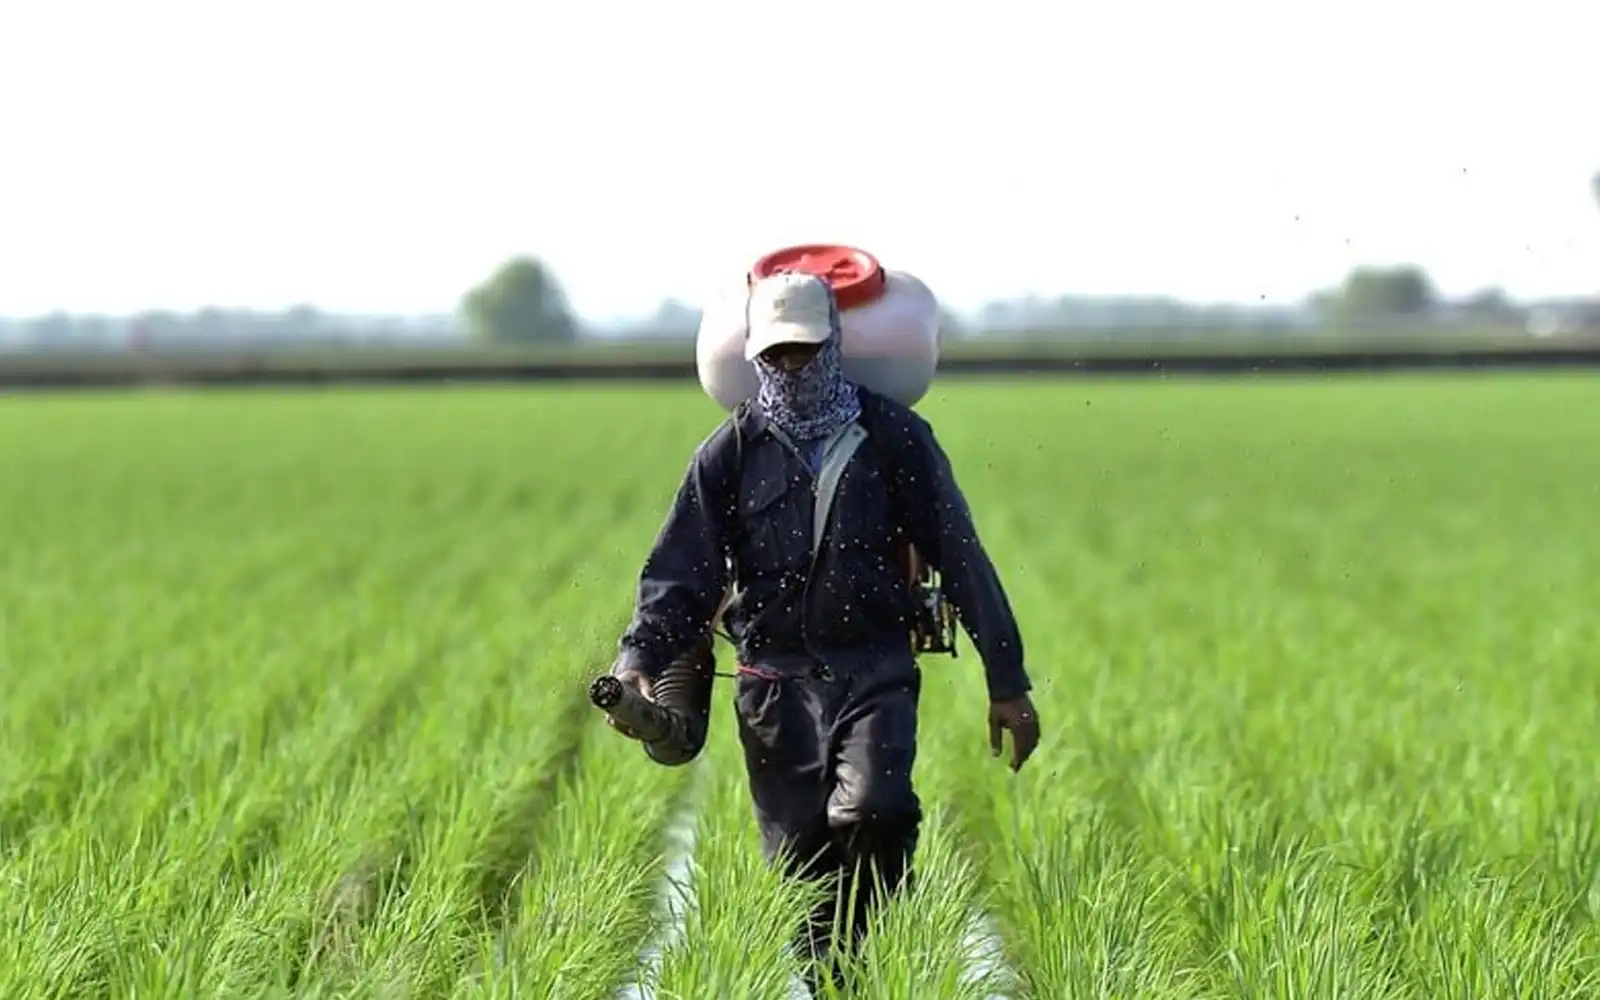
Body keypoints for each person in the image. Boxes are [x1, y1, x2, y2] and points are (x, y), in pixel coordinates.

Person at [606, 270, 1040, 991]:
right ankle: (837, 981)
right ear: (756, 355)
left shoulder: (893, 438)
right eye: (776, 354)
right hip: (772, 686)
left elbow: (960, 556)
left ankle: (877, 946)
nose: (791, 367)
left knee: (877, 810)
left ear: (832, 344)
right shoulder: (729, 453)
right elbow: (680, 577)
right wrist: (636, 663)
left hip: (872, 670)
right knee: (802, 871)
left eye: (804, 351)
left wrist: (1007, 682)